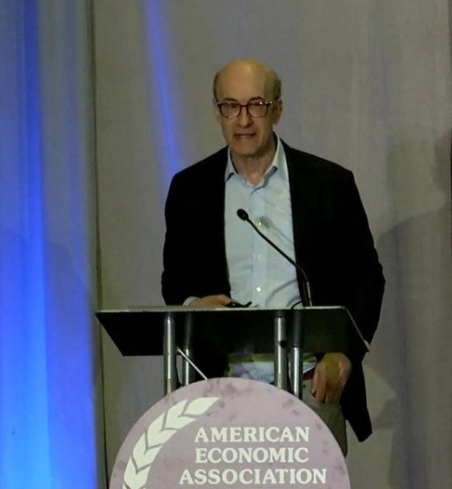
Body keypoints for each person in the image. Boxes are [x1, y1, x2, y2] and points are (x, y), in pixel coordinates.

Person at [161, 59, 385, 453]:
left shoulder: (328, 184)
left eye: (256, 105)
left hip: (307, 384)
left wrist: (344, 354)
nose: (243, 119)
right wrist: (194, 305)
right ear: (217, 112)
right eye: (231, 106)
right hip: (221, 389)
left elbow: (366, 279)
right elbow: (174, 280)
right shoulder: (189, 190)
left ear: (277, 110)